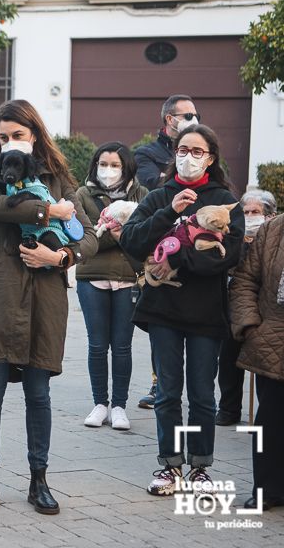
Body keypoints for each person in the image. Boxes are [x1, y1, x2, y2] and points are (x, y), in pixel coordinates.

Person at [0, 99, 98, 515]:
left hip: (44, 292)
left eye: (17, 135)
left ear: (34, 134)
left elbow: (88, 234)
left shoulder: (57, 176)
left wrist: (61, 258)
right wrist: (48, 210)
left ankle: (39, 480)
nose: (9, 143)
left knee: (39, 392)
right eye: (3, 136)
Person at [119, 124, 243, 496]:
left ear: (211, 157)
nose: (189, 157)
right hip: (163, 311)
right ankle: (170, 466)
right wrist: (168, 214)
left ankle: (200, 467)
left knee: (203, 393)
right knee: (169, 392)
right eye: (183, 150)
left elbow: (230, 254)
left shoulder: (222, 198)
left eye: (197, 151)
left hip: (206, 312)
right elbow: (132, 240)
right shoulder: (160, 195)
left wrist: (177, 259)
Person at [133, 94, 200, 410]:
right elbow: (155, 184)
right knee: (162, 322)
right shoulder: (147, 154)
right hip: (160, 249)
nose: (193, 119)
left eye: (195, 114)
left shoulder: (206, 148)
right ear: (169, 120)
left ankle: (198, 389)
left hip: (197, 250)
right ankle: (160, 384)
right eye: (187, 115)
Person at [75, 142, 148, 430]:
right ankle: (99, 404)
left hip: (128, 278)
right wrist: (120, 234)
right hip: (91, 277)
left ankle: (119, 405)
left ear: (126, 167)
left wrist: (115, 232)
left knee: (122, 346)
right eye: (103, 164)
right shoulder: (82, 194)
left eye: (115, 165)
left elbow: (145, 235)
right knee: (96, 344)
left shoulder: (142, 194)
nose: (108, 170)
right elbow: (86, 237)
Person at [229, 211, 284, 511]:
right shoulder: (273, 229)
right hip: (272, 340)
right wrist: (250, 326)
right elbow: (245, 281)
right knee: (270, 421)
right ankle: (266, 489)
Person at [215, 190, 277, 426]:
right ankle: (228, 408)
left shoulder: (273, 238)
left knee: (265, 362)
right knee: (229, 356)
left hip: (267, 311)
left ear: (269, 216)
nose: (250, 217)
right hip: (236, 306)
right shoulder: (233, 237)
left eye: (256, 212)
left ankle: (265, 414)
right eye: (246, 212)